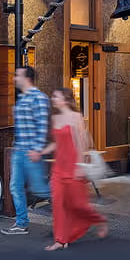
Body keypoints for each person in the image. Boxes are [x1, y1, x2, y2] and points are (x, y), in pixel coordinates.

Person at [38, 87, 108, 250]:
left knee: (78, 205)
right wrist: (41, 152)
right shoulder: (55, 118)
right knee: (58, 204)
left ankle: (98, 220)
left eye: (56, 96)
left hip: (73, 167)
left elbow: (80, 143)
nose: (53, 99)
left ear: (66, 99)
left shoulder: (76, 117)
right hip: (58, 168)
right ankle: (60, 240)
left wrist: (78, 166)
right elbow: (56, 143)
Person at [0, 66, 51, 236]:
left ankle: (73, 213)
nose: (15, 78)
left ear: (27, 78)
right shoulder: (22, 98)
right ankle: (21, 223)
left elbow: (43, 125)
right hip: (19, 151)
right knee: (15, 187)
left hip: (31, 152)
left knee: (42, 190)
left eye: (18, 76)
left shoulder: (39, 98)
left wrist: (37, 149)